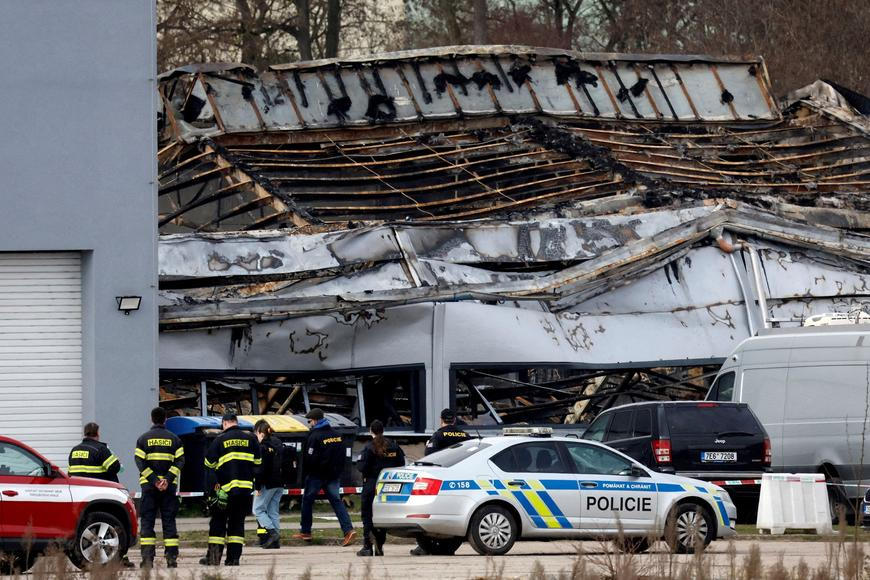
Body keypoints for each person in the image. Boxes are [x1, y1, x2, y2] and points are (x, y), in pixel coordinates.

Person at [200, 413, 261, 567]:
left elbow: (209, 464)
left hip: (225, 491)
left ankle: (213, 558)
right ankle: (233, 559)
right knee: (237, 524)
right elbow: (258, 463)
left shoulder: (219, 440)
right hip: (245, 491)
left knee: (218, 523)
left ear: (225, 423)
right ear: (236, 422)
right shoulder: (251, 439)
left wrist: (213, 488)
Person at [411, 408, 472, 555]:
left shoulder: (438, 435)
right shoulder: (466, 435)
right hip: (462, 480)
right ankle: (449, 543)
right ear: (455, 420)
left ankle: (426, 545)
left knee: (434, 512)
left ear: (441, 419)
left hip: (442, 480)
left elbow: (429, 457)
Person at [292, 408, 356, 546]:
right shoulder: (338, 435)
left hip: (316, 476)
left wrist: (306, 475)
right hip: (333, 476)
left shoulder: (314, 436)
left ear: (315, 420)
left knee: (307, 501)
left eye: (310, 421)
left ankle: (306, 531)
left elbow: (309, 459)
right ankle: (348, 530)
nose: (310, 424)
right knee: (337, 502)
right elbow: (343, 457)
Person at [134, 407, 185, 569]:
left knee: (147, 522)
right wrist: (167, 480)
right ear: (165, 420)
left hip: (149, 487)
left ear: (151, 419)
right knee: (169, 521)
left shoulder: (143, 439)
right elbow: (180, 461)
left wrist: (154, 481)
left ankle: (147, 559)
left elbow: (140, 462)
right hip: (169, 488)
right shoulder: (175, 439)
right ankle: (171, 558)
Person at [356, 419, 405, 557]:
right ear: (383, 430)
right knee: (381, 517)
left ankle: (367, 546)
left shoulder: (369, 447)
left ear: (371, 431)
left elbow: (361, 467)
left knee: (368, 516)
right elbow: (401, 464)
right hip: (388, 485)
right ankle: (379, 546)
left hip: (372, 485)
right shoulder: (394, 446)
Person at [253, 419, 284, 550]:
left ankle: (272, 533)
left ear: (260, 433)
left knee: (257, 510)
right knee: (273, 511)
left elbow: (260, 469)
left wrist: (257, 487)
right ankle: (275, 541)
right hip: (280, 482)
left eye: (255, 433)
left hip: (268, 483)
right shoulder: (277, 443)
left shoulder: (262, 447)